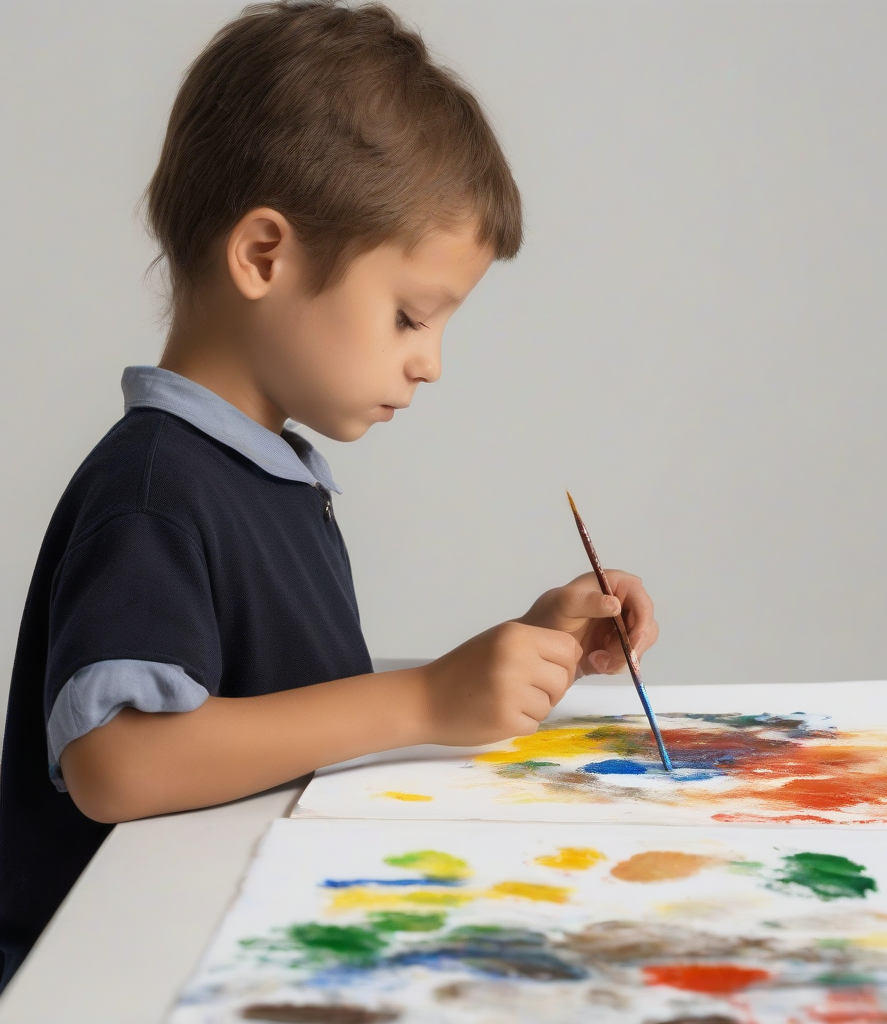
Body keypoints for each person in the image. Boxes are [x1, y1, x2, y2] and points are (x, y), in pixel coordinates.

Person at [0, 0, 658, 988]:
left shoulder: (270, 474)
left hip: (229, 950)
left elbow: (293, 704)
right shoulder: (156, 487)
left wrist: (525, 645)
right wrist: (426, 696)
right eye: (408, 316)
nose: (430, 363)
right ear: (264, 255)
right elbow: (118, 764)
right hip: (108, 979)